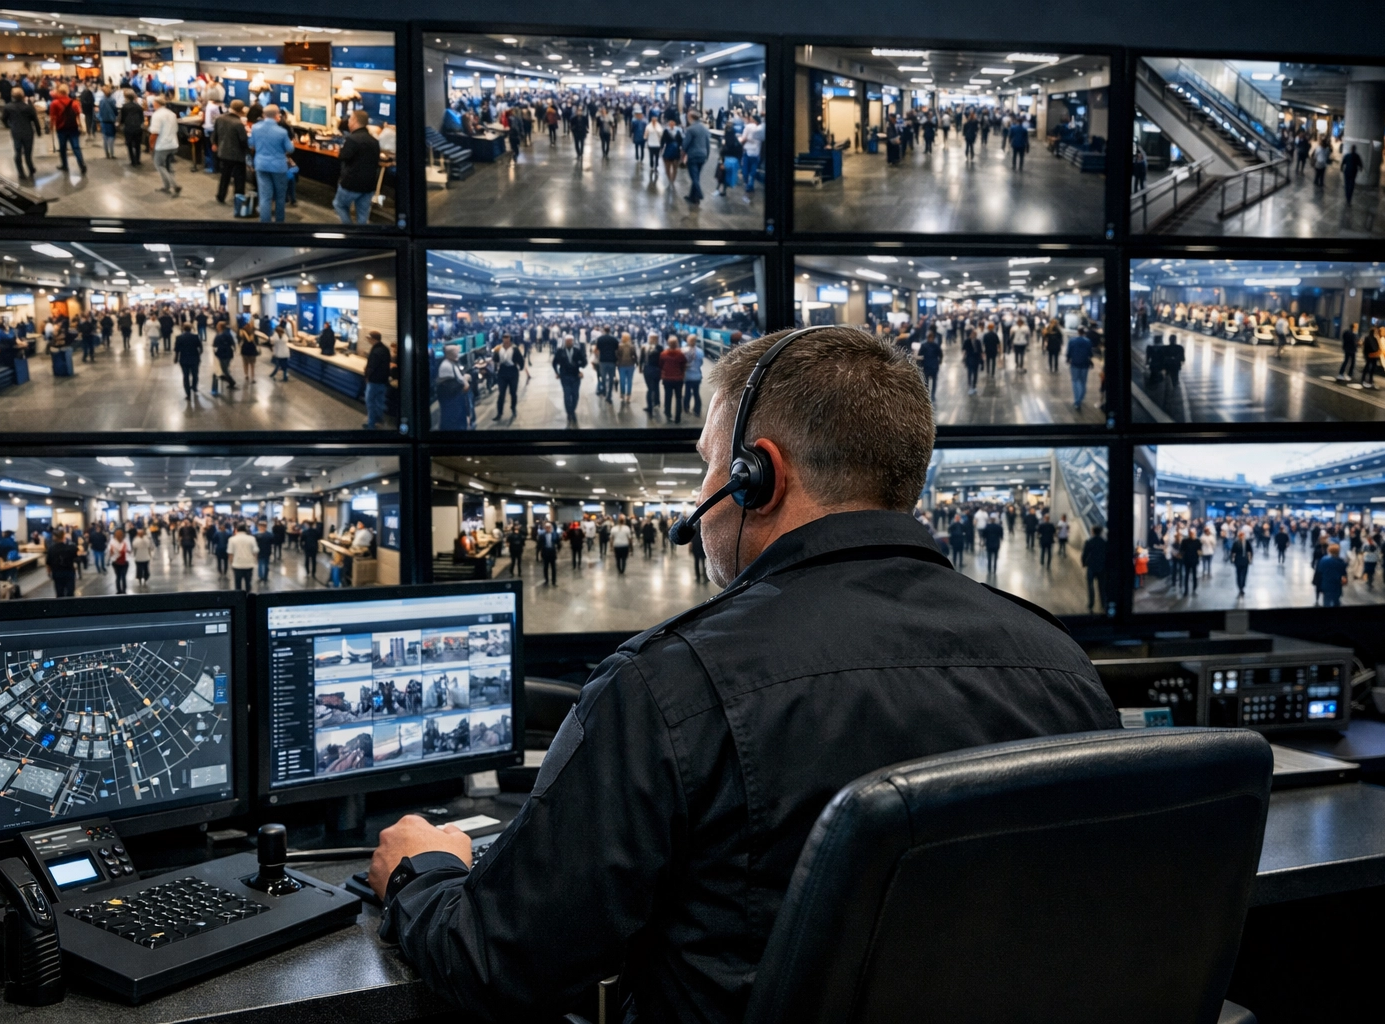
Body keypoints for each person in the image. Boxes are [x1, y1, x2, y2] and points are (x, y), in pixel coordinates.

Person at [367, 326, 1118, 1020]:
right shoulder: (1063, 665)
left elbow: (500, 960)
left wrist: (422, 873)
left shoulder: (672, 685)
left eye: (706, 466)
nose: (701, 497)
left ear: (761, 476)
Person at [334, 110, 381, 224]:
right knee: (363, 214)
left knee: (339, 205)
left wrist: (340, 149)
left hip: (351, 184)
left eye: (350, 119)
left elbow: (343, 157)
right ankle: (362, 237)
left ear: (354, 121)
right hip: (369, 185)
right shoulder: (374, 141)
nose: (348, 122)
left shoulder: (352, 139)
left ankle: (350, 230)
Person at [250, 105, 295, 223]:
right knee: (280, 197)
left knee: (265, 197)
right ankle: (279, 223)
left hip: (261, 165)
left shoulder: (255, 128)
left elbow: (251, 144)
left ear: (264, 115)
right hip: (278, 167)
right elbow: (290, 149)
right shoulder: (282, 132)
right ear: (277, 116)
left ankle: (265, 224)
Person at [213, 99, 248, 205]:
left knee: (225, 176)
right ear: (241, 110)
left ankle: (221, 196)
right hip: (237, 155)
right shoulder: (238, 124)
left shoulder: (220, 118)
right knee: (239, 177)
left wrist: (215, 144)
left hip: (223, 152)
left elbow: (215, 134)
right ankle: (238, 197)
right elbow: (243, 140)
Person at [1, 88, 41, 177]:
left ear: (12, 96)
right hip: (28, 132)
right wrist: (38, 132)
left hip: (16, 132)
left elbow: (3, 119)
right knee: (28, 153)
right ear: (23, 96)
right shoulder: (28, 108)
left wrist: (9, 126)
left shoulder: (8, 107)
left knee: (17, 151)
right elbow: (35, 120)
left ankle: (21, 172)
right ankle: (31, 168)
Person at [148, 95, 181, 195]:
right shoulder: (172, 114)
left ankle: (175, 185)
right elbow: (176, 129)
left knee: (159, 165)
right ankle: (166, 186)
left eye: (153, 103)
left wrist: (151, 145)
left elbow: (155, 133)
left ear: (157, 104)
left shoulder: (157, 115)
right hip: (173, 144)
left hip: (162, 145)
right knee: (168, 166)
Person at [553, 334, 586, 427]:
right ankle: (569, 413)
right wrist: (557, 372)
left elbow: (584, 361)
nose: (569, 342)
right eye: (567, 341)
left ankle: (572, 410)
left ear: (572, 341)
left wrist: (580, 369)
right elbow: (554, 363)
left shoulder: (577, 351)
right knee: (567, 395)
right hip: (565, 376)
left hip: (576, 376)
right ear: (565, 342)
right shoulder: (560, 352)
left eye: (570, 341)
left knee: (575, 395)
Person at [363, 330, 395, 429]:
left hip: (374, 381)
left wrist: (367, 376)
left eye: (369, 338)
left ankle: (371, 425)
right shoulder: (385, 349)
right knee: (379, 402)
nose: (368, 340)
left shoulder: (376, 351)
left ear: (373, 339)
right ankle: (379, 419)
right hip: (383, 381)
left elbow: (372, 367)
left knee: (370, 403)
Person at [682, 110, 711, 204]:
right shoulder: (705, 129)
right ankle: (693, 197)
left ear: (690, 117)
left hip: (693, 155)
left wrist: (682, 156)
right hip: (703, 155)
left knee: (694, 177)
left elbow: (685, 145)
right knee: (697, 176)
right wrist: (707, 155)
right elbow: (708, 144)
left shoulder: (690, 129)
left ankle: (699, 193)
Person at [660, 336, 688, 423]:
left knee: (668, 397)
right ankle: (677, 418)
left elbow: (661, 365)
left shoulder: (663, 354)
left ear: (668, 344)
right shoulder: (680, 354)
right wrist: (682, 374)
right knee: (678, 398)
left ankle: (668, 414)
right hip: (678, 379)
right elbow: (684, 366)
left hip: (667, 379)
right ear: (676, 344)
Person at [1066, 327, 1095, 412]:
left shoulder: (1072, 341)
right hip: (1085, 364)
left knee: (1075, 381)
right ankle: (1080, 399)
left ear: (1078, 332)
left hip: (1074, 364)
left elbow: (1069, 352)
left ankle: (1077, 401)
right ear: (1084, 332)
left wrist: (1068, 359)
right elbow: (1090, 353)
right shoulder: (1088, 341)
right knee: (1083, 382)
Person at [173, 321, 203, 399]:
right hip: (194, 359)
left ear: (183, 328)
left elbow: (177, 350)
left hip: (184, 359)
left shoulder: (179, 337)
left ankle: (188, 394)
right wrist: (198, 355)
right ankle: (194, 387)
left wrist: (176, 358)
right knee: (195, 374)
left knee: (185, 376)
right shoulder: (196, 337)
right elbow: (201, 348)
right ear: (190, 328)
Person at [45, 529, 77, 597]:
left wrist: (49, 573)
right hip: (69, 572)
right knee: (70, 592)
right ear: (63, 537)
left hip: (57, 573)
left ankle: (60, 606)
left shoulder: (51, 549)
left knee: (59, 592)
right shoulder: (70, 548)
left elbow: (48, 563)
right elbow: (75, 554)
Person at [229, 523, 259, 592]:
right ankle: (248, 599)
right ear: (246, 530)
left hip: (237, 565)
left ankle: (239, 600)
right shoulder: (252, 539)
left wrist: (231, 563)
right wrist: (255, 561)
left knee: (238, 584)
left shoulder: (232, 539)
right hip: (249, 564)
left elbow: (230, 553)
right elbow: (255, 551)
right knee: (248, 584)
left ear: (237, 530)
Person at [211, 321, 237, 393]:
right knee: (226, 369)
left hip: (222, 354)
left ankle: (231, 382)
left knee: (224, 370)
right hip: (229, 353)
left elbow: (214, 344)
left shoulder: (219, 335)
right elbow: (233, 343)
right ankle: (230, 381)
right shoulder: (228, 334)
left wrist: (216, 352)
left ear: (220, 327)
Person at [741, 113, 762, 196]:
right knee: (753, 170)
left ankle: (747, 184)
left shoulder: (748, 126)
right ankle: (750, 185)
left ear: (753, 120)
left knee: (745, 170)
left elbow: (743, 138)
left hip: (747, 151)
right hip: (756, 152)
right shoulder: (760, 128)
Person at [536, 521, 560, 585]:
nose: (548, 528)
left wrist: (558, 549)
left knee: (553, 568)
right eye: (546, 527)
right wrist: (539, 552)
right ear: (545, 528)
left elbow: (558, 543)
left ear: (551, 528)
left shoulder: (555, 534)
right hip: (545, 553)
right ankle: (546, 580)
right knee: (545, 568)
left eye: (549, 527)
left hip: (552, 553)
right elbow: (539, 544)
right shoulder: (542, 535)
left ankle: (553, 581)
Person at [919, 330, 942, 399]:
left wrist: (939, 361)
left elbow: (940, 354)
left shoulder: (934, 346)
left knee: (932, 382)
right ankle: (928, 395)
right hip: (928, 366)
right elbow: (920, 355)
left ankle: (932, 395)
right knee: (927, 382)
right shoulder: (925, 345)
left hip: (932, 366)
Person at [1230, 532, 1253, 597]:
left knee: (1244, 575)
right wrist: (1232, 560)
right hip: (1238, 561)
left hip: (1245, 561)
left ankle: (1242, 586)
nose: (1242, 537)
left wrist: (1250, 559)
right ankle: (1240, 587)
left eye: (1243, 536)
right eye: (1241, 536)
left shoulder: (1247, 543)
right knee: (1238, 575)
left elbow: (1250, 551)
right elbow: (1233, 552)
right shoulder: (1236, 543)